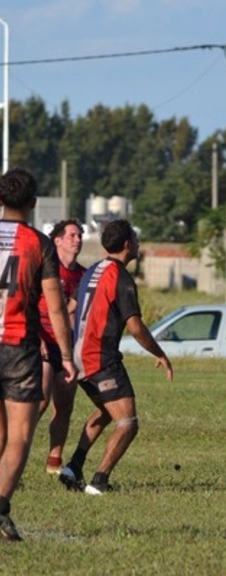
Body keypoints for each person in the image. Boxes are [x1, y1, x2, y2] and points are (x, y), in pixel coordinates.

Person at [60, 219, 173, 495]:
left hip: (78, 358)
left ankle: (73, 466)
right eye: (135, 239)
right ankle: (99, 481)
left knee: (106, 411)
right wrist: (159, 352)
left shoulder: (93, 271)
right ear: (127, 245)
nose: (137, 244)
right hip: (101, 360)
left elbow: (70, 308)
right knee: (128, 422)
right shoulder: (120, 278)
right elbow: (135, 327)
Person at [0, 168, 76, 542]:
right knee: (20, 436)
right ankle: (0, 510)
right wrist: (66, 354)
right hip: (18, 348)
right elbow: (56, 307)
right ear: (33, 203)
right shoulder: (40, 244)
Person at [38, 219, 87, 475]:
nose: (77, 239)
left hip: (68, 347)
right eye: (72, 235)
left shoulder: (83, 275)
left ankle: (54, 460)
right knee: (40, 400)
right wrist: (36, 338)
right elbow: (25, 304)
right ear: (57, 240)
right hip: (42, 341)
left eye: (80, 235)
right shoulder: (45, 269)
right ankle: (10, 452)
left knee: (65, 404)